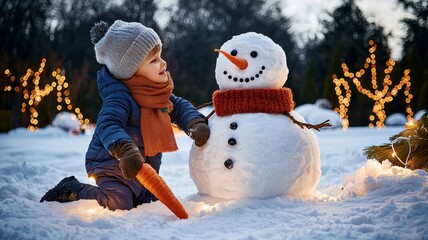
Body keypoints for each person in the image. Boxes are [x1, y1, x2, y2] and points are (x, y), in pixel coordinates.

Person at [40, 20, 210, 210]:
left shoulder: (157, 94)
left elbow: (178, 107)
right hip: (113, 165)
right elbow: (108, 125)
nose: (163, 63)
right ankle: (72, 189)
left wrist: (194, 122)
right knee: (119, 202)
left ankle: (137, 193)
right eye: (153, 60)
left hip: (143, 168)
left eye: (160, 56)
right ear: (131, 72)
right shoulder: (119, 98)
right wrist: (125, 150)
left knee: (154, 204)